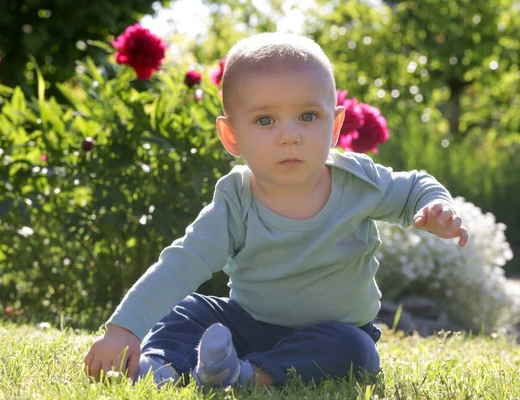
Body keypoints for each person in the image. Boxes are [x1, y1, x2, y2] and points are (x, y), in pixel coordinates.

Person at [83, 32, 469, 388]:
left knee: (356, 351)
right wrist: (123, 329)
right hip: (247, 324)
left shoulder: (357, 181)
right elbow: (181, 264)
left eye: (307, 116)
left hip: (331, 333)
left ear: (334, 127)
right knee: (189, 310)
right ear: (232, 135)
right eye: (265, 120)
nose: (290, 135)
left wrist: (435, 206)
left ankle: (244, 375)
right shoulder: (236, 200)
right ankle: (160, 368)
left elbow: (415, 185)